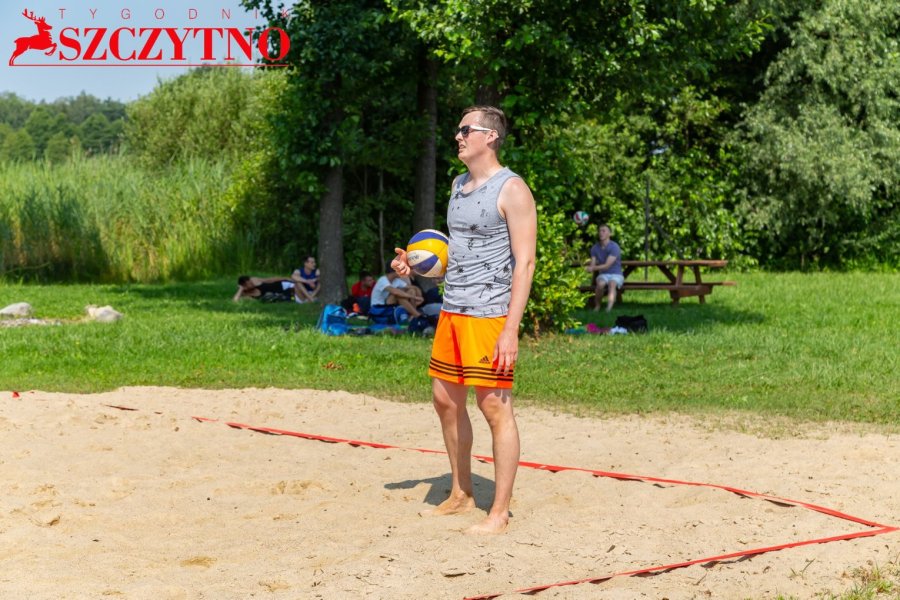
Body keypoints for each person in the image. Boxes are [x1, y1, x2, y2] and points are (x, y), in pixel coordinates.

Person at [392, 105, 536, 535]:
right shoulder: (458, 185)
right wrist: (416, 266)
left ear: (490, 137)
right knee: (445, 401)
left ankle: (499, 513)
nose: (457, 136)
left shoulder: (512, 189)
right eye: (457, 130)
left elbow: (525, 263)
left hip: (490, 315)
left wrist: (511, 329)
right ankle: (460, 494)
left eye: (465, 129)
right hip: (453, 308)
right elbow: (459, 252)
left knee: (494, 408)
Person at [586, 224, 624, 312]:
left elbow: (607, 265)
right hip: (603, 274)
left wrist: (593, 268)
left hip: (616, 274)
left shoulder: (614, 247)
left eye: (604, 231)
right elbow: (593, 264)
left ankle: (608, 309)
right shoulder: (594, 248)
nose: (601, 233)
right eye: (600, 231)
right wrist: (589, 268)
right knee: (600, 285)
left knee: (612, 284)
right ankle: (597, 306)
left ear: (609, 234)